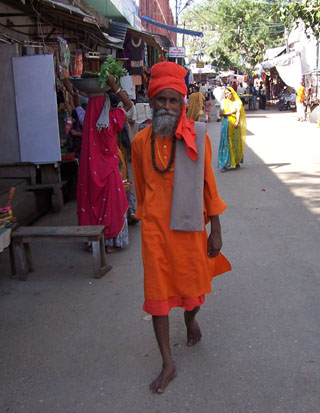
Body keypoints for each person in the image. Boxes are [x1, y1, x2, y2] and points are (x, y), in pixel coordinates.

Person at [131, 61, 231, 394]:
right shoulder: (140, 142)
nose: (168, 107)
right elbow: (142, 190)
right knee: (157, 296)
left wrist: (215, 228)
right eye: (162, 100)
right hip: (155, 234)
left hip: (189, 230)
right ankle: (167, 363)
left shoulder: (196, 138)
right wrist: (148, 224)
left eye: (174, 101)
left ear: (183, 104)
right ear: (152, 101)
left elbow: (208, 186)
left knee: (195, 287)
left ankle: (190, 319)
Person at [73, 75, 134, 252]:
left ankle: (93, 241)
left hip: (89, 171)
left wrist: (73, 90)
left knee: (92, 204)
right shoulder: (111, 119)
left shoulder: (86, 121)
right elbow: (129, 105)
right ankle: (110, 243)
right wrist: (114, 86)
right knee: (111, 204)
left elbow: (77, 106)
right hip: (108, 170)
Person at [218, 87, 247, 172]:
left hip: (235, 125)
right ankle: (224, 164)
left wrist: (237, 122)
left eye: (228, 93)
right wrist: (231, 113)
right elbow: (221, 113)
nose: (227, 95)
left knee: (236, 142)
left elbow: (238, 112)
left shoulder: (237, 102)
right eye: (225, 94)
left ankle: (237, 161)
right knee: (226, 143)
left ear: (232, 92)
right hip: (226, 124)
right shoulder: (224, 102)